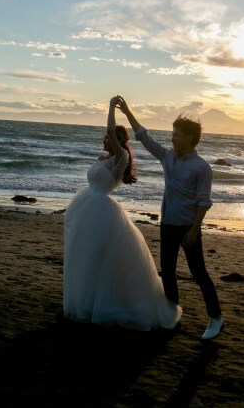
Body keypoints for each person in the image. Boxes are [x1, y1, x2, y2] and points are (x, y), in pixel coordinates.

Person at [62, 97, 182, 331]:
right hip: (87, 207)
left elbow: (109, 128)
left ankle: (106, 305)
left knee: (102, 257)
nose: (104, 138)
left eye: (109, 137)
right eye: (105, 137)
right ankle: (86, 303)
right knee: (87, 257)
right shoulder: (103, 158)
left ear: (118, 140)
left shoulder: (121, 157)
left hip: (101, 211)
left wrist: (110, 107)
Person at [117, 96, 224, 340]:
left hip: (188, 227)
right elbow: (144, 137)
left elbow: (204, 202)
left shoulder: (202, 167)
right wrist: (128, 112)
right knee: (168, 271)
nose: (172, 137)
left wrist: (195, 230)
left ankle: (216, 318)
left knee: (199, 273)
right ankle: (171, 315)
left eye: (176, 133)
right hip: (168, 224)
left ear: (188, 138)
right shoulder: (168, 157)